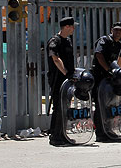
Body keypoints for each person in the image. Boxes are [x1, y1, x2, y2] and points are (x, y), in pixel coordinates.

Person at [91, 21, 121, 142]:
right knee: (100, 105)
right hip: (101, 77)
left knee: (111, 105)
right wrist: (108, 69)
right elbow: (98, 54)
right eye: (116, 30)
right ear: (111, 30)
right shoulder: (104, 40)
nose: (118, 32)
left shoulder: (119, 44)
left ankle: (108, 130)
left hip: (112, 79)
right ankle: (100, 133)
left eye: (120, 30)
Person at [47, 17, 76, 146]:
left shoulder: (68, 41)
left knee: (65, 107)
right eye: (72, 26)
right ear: (66, 27)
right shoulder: (55, 41)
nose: (73, 29)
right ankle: (55, 136)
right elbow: (55, 58)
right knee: (58, 107)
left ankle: (62, 135)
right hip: (58, 79)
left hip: (67, 79)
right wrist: (65, 73)